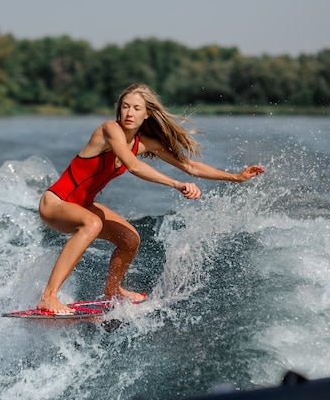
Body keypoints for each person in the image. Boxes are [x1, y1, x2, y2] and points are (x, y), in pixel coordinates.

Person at [37, 83, 265, 314]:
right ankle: (48, 296)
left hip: (82, 204)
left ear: (147, 114)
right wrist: (176, 184)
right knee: (92, 223)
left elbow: (190, 166)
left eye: (137, 108)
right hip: (55, 202)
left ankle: (112, 291)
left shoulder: (143, 143)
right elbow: (134, 166)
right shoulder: (109, 129)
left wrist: (235, 178)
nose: (129, 113)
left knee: (130, 239)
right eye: (125, 107)